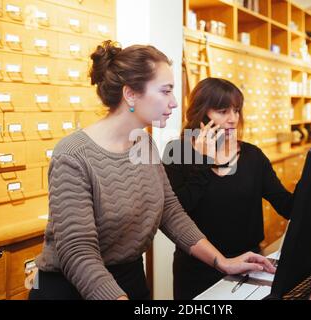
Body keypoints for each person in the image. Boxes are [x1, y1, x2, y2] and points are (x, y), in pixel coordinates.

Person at [29, 41, 276, 300]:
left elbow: (170, 211)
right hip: (73, 289)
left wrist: (221, 261)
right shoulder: (72, 154)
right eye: (166, 91)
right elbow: (78, 252)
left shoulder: (143, 143)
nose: (174, 103)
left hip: (129, 280)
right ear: (131, 94)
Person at [163, 77, 295, 300]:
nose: (233, 119)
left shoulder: (253, 156)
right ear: (202, 113)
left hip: (247, 264)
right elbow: (177, 212)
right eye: (223, 111)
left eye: (236, 110)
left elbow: (286, 206)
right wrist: (204, 161)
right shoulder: (178, 152)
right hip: (197, 270)